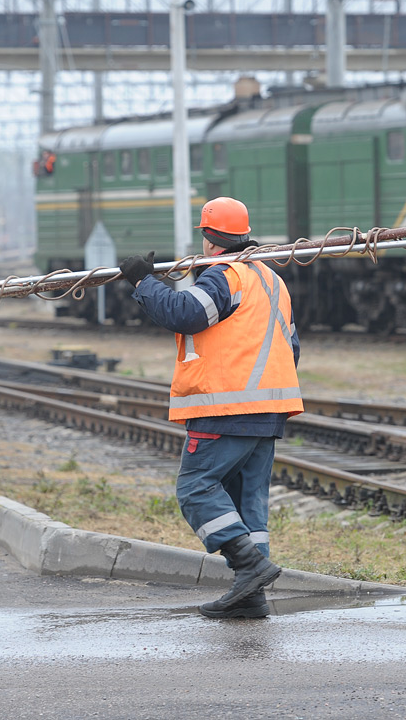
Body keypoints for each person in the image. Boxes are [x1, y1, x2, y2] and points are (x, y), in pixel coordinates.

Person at [119, 196, 303, 619]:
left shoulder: (226, 276)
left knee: (196, 489)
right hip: (269, 408)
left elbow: (185, 313)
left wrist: (142, 282)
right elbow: (291, 346)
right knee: (246, 501)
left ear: (209, 238)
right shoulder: (272, 280)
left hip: (227, 406)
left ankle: (251, 566)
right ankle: (250, 595)